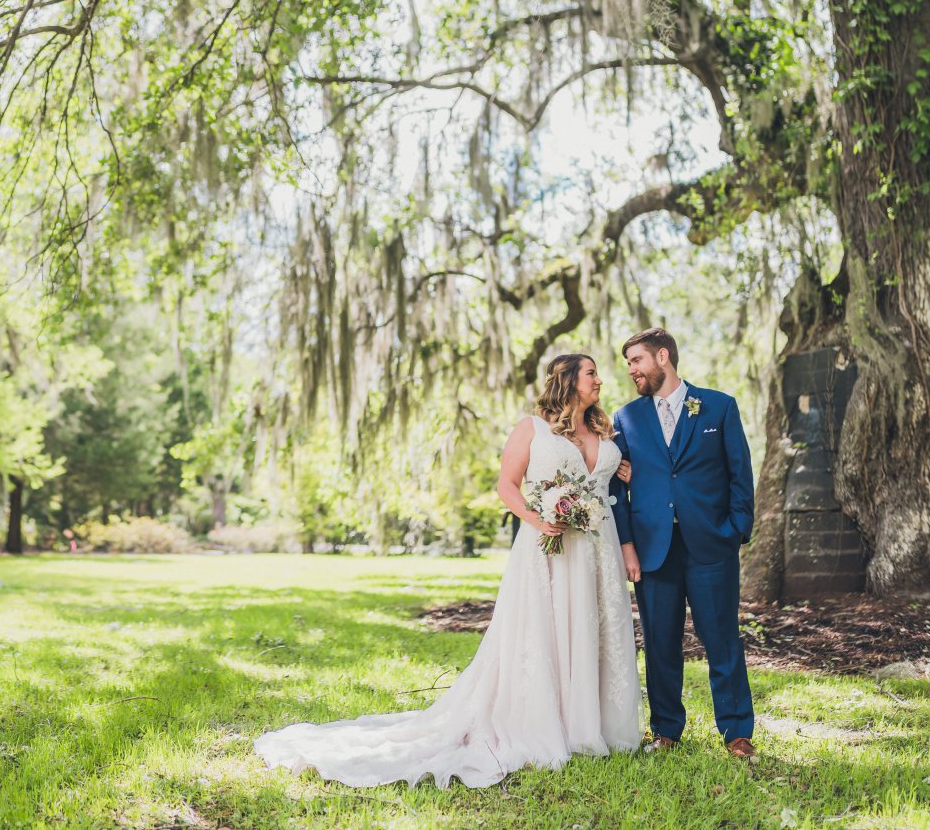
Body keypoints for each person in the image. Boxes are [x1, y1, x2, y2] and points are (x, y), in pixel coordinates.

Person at [253, 353, 642, 786]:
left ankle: (591, 725)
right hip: (548, 548)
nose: (600, 380)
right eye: (591, 373)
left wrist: (623, 475)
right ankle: (548, 724)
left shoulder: (608, 432)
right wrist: (537, 519)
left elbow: (614, 483)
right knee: (546, 632)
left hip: (598, 549)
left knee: (594, 630)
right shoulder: (531, 428)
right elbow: (507, 486)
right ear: (568, 380)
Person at [609, 327, 759, 759]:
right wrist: (628, 546)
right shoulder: (626, 418)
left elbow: (740, 474)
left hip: (712, 546)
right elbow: (616, 489)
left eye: (636, 361)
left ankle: (736, 733)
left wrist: (736, 531)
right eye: (629, 365)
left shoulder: (718, 406)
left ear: (662, 357)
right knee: (659, 642)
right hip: (654, 548)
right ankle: (667, 729)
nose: (632, 371)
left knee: (722, 639)